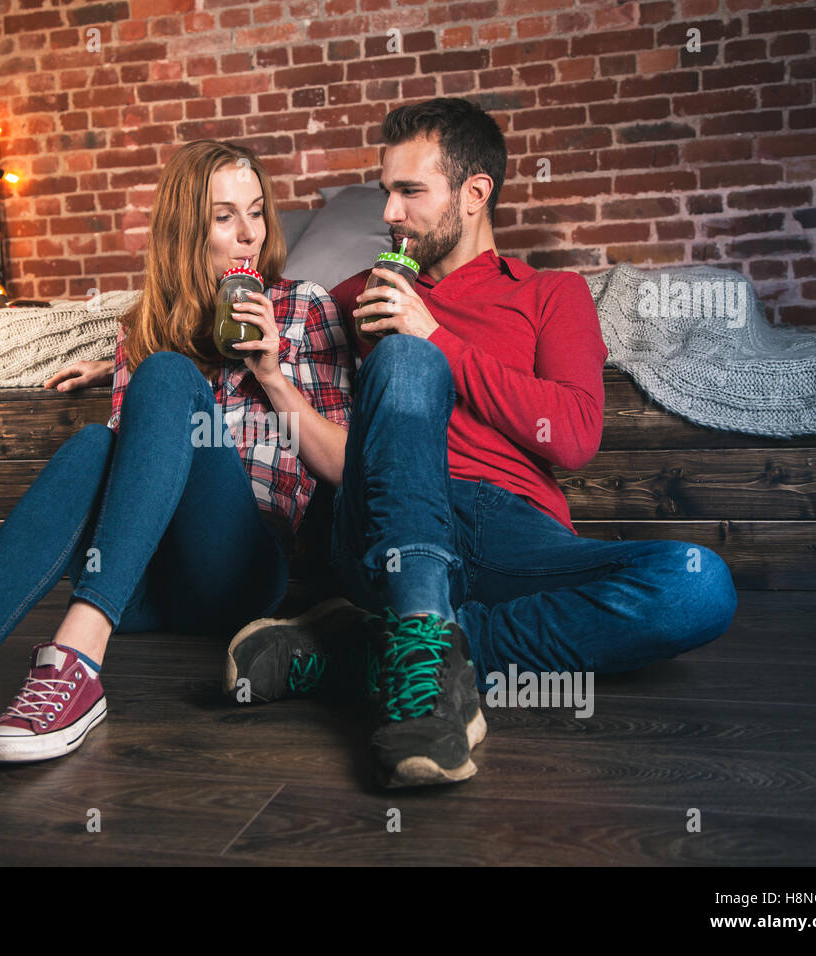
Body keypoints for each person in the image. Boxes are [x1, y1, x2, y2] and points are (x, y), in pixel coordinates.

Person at [224, 98, 738, 789]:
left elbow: (576, 435)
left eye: (410, 192)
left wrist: (436, 334)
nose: (390, 215)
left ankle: (382, 652)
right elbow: (245, 310)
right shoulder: (363, 292)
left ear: (474, 194)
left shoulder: (550, 294)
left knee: (697, 588)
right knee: (405, 365)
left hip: (514, 536)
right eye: (386, 193)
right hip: (388, 524)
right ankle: (423, 655)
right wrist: (128, 349)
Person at [0, 140, 354, 799]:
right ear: (186, 228)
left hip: (237, 571)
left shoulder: (304, 305)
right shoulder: (146, 324)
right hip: (137, 585)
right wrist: (134, 359)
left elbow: (345, 465)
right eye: (225, 217)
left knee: (165, 374)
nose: (249, 233)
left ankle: (76, 662)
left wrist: (273, 379)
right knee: (91, 444)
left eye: (256, 212)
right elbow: (126, 468)